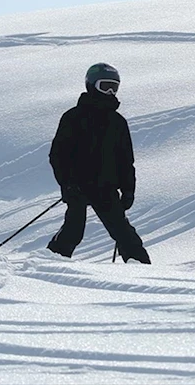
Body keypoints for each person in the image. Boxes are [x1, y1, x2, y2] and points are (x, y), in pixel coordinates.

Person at [46, 63, 151, 263]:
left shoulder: (118, 122)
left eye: (114, 87)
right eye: (105, 86)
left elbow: (126, 160)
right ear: (91, 85)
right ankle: (50, 263)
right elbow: (58, 155)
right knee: (74, 229)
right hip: (77, 186)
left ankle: (142, 268)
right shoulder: (73, 117)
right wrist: (66, 184)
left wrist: (128, 190)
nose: (110, 92)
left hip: (105, 187)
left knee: (123, 233)